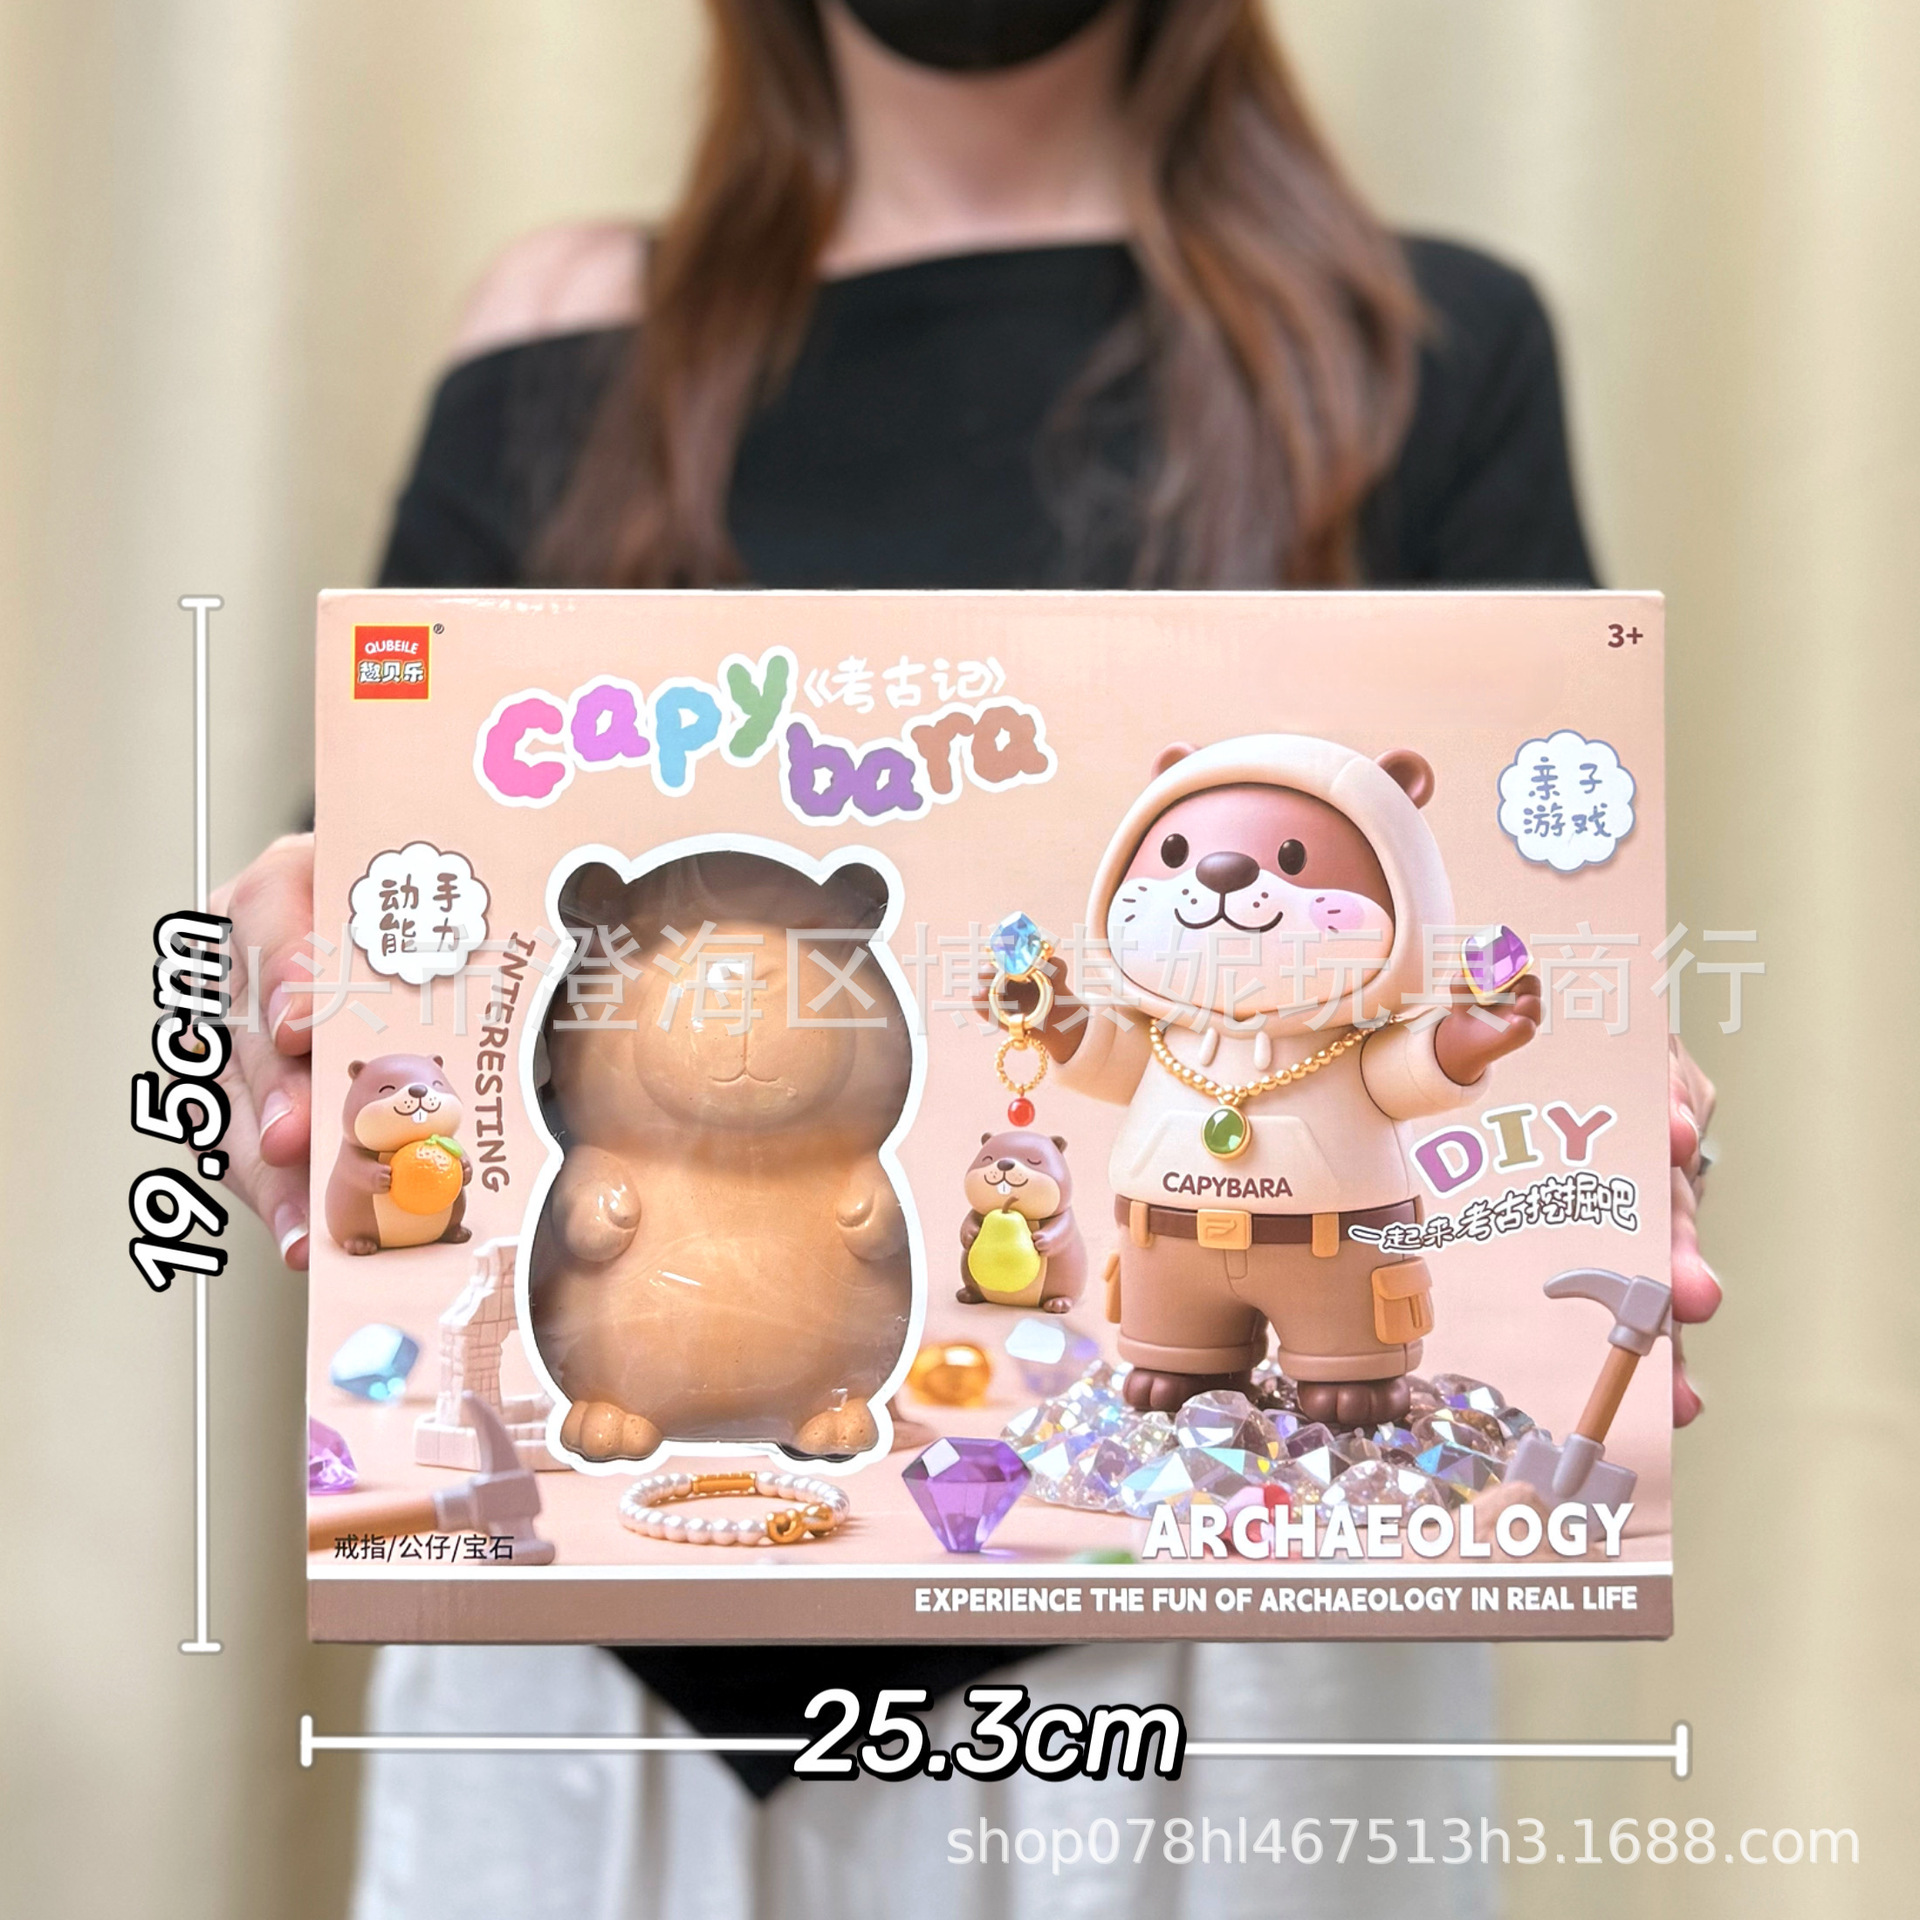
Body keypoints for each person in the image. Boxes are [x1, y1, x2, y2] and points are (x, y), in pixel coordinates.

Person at [219, 3, 1721, 1911]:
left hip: (1209, 1643)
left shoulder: (1415, 340)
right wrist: (286, 980)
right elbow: (376, 903)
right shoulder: (564, 334)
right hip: (592, 1653)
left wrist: (1588, 1102)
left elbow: (1548, 897)